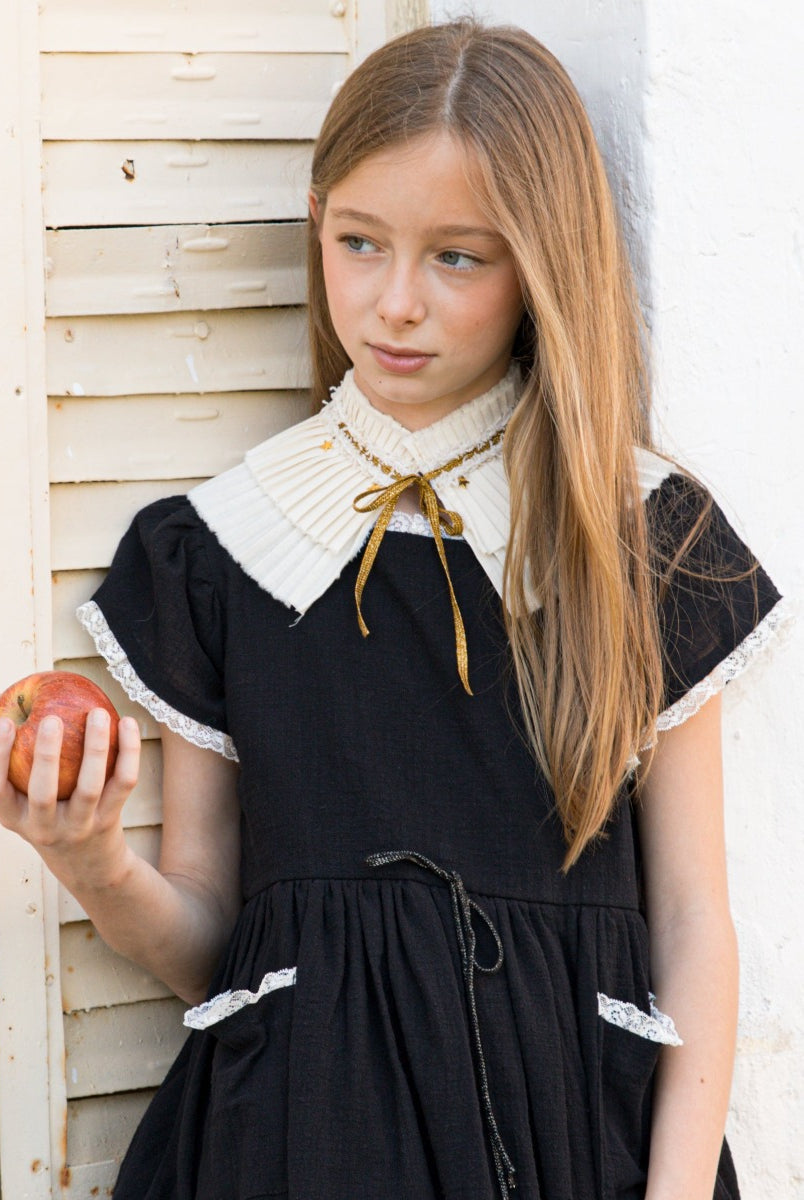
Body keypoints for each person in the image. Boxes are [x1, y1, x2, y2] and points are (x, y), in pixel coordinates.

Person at [0, 20, 789, 1200]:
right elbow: (217, 946)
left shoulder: (638, 534)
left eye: (458, 259)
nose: (396, 303)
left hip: (575, 1142)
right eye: (358, 242)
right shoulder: (225, 546)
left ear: (544, 265)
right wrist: (93, 861)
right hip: (291, 1146)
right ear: (316, 219)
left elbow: (690, 925)